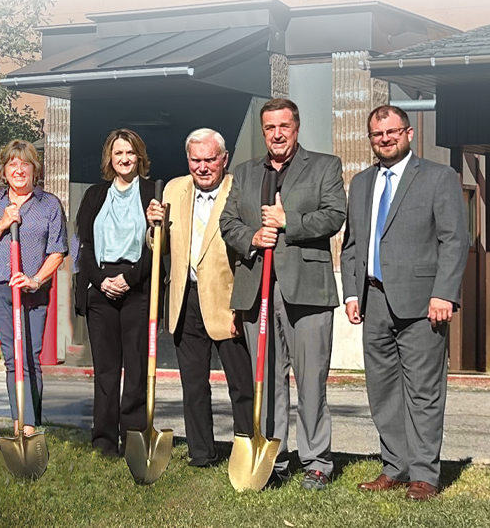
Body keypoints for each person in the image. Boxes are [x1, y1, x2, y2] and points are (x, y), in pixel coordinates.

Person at [219, 97, 348, 490]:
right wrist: (253, 237)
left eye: (284, 126)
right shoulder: (245, 173)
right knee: (267, 380)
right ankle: (274, 458)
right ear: (264, 132)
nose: (277, 134)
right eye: (270, 128)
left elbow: (335, 215)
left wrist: (287, 221)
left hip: (307, 290)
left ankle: (316, 462)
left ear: (296, 127)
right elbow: (228, 221)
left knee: (311, 380)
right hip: (257, 288)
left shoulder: (325, 166)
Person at [341, 105, 468, 501]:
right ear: (370, 139)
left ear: (409, 134)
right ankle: (395, 467)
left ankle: (425, 474)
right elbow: (352, 244)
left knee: (423, 392)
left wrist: (444, 292)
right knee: (382, 391)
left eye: (392, 132)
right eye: (377, 134)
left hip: (423, 302)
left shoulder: (438, 177)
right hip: (374, 299)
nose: (385, 139)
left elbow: (454, 239)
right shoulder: (362, 183)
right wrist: (351, 292)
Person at [145, 128, 252, 468]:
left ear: (224, 159)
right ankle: (201, 452)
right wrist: (154, 227)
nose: (202, 167)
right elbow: (160, 248)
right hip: (185, 299)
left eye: (210, 160)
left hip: (229, 300)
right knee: (193, 384)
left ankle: (246, 449)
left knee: (241, 384)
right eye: (195, 160)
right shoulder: (174, 189)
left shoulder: (240, 189)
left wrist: (242, 303)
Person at [0, 140, 68, 438]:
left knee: (31, 356)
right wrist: (2, 224)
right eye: (13, 164)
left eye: (25, 164)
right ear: (4, 170)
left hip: (33, 290)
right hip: (0, 286)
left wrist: (35, 279)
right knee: (12, 357)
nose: (19, 169)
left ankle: (30, 424)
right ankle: (19, 422)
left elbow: (57, 251)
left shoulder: (49, 204)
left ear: (35, 169)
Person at [74, 129, 157, 458]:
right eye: (118, 152)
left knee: (136, 370)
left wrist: (130, 278)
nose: (124, 158)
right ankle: (104, 442)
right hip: (100, 287)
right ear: (110, 158)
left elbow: (158, 246)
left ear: (139, 157)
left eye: (130, 152)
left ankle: (134, 439)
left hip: (137, 286)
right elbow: (85, 246)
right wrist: (100, 280)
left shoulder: (152, 193)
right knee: (106, 371)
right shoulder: (95, 195)